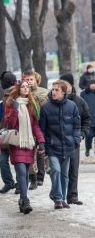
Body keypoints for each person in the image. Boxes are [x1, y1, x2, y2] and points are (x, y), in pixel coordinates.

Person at [5, 80, 45, 214]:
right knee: (21, 171)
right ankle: (25, 199)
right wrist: (15, 110)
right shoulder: (11, 104)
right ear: (18, 89)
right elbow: (9, 124)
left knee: (26, 173)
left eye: (27, 87)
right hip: (17, 142)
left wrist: (41, 141)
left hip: (29, 144)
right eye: (23, 87)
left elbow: (36, 126)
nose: (26, 89)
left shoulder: (31, 104)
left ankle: (22, 200)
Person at [40, 80, 81, 210]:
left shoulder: (72, 106)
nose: (54, 92)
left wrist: (75, 139)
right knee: (55, 170)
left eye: (57, 90)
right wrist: (41, 143)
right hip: (52, 146)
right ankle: (57, 198)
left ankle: (62, 199)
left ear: (63, 92)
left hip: (68, 145)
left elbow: (76, 125)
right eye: (53, 89)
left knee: (65, 173)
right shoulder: (45, 107)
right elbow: (42, 128)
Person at [59, 74, 90, 205]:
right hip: (58, 140)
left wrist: (82, 134)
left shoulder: (79, 101)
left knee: (73, 169)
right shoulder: (55, 101)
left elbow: (87, 119)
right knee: (59, 170)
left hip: (74, 140)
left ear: (71, 85)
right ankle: (58, 196)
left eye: (66, 83)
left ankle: (72, 196)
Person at [22, 70, 49, 189]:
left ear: (36, 80)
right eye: (26, 80)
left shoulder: (44, 93)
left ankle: (40, 176)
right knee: (31, 152)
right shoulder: (23, 93)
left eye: (31, 79)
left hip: (43, 124)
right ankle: (32, 176)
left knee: (41, 151)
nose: (28, 82)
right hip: (29, 125)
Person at [0, 71, 17, 194]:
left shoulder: (17, 95)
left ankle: (20, 183)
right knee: (3, 159)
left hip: (15, 131)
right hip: (5, 131)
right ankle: (9, 182)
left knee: (17, 159)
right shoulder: (5, 96)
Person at [81, 79, 95, 157]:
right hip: (88, 119)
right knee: (89, 136)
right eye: (92, 83)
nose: (93, 85)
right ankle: (87, 149)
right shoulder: (84, 93)